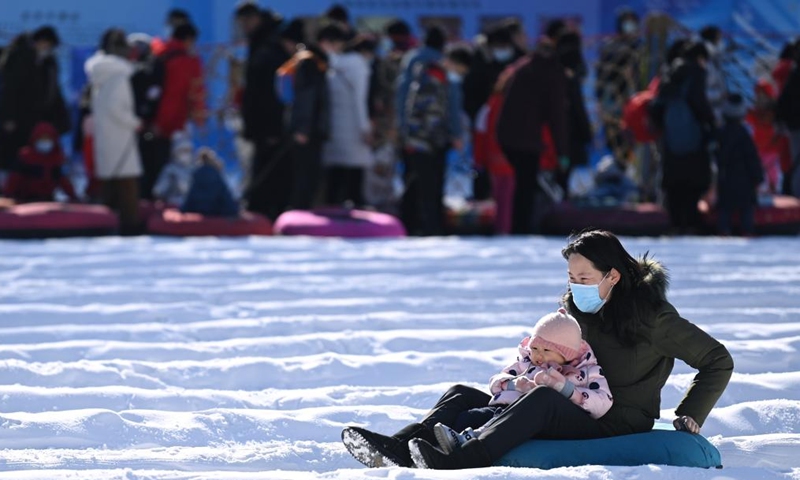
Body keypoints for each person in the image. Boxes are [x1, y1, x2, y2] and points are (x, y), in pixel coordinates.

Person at [341, 228, 733, 470]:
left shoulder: (653, 317)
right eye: (571, 277)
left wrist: (690, 415)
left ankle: (463, 460)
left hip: (615, 418)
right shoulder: (577, 308)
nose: (576, 285)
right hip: (565, 401)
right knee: (462, 394)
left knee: (543, 401)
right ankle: (399, 445)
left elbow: (718, 359)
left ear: (613, 275)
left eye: (584, 277)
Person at [432, 308, 612, 454]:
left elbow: (603, 402)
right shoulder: (526, 363)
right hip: (505, 409)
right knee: (468, 416)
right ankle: (432, 441)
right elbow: (496, 381)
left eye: (547, 350)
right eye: (534, 347)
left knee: (495, 420)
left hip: (546, 421)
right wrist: (516, 384)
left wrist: (565, 388)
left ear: (567, 354)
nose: (538, 355)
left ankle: (468, 441)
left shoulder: (586, 371)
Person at [496, 21, 568, 234]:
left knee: (522, 185)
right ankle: (522, 229)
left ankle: (520, 226)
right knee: (525, 186)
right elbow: (557, 116)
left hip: (507, 135)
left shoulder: (525, 65)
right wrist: (563, 152)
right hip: (525, 139)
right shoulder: (551, 72)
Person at [235, 3, 302, 219]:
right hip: (264, 124)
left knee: (270, 173)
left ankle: (267, 213)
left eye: (247, 21)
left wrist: (270, 127)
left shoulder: (269, 48)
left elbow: (268, 94)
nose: (244, 26)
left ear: (256, 19)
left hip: (270, 125)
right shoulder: (263, 42)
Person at [400, 44, 472, 236]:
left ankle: (412, 225)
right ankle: (432, 228)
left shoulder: (422, 74)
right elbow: (446, 113)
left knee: (417, 186)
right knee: (430, 188)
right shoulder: (441, 80)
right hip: (429, 141)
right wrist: (454, 135)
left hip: (417, 139)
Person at [650, 42, 716, 234]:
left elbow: (657, 105)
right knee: (694, 181)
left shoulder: (668, 73)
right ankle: (692, 221)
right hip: (694, 136)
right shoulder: (695, 73)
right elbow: (699, 103)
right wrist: (710, 123)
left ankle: (675, 221)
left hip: (671, 138)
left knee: (674, 184)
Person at [85, 28, 143, 235]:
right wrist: (135, 122)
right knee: (127, 184)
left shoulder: (99, 75)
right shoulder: (119, 75)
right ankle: (130, 225)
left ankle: (106, 222)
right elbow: (116, 107)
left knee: (109, 181)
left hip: (105, 134)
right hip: (121, 134)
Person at [146, 23, 207, 200]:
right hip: (175, 124)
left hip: (151, 122)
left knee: (154, 166)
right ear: (189, 40)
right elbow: (189, 94)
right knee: (178, 168)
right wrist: (199, 119)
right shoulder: (187, 61)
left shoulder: (159, 53)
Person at [0, 25, 71, 173]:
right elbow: (10, 89)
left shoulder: (49, 62)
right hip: (18, 117)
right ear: (40, 41)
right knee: (15, 153)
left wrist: (61, 119)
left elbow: (54, 91)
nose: (48, 48)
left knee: (37, 155)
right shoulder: (18, 56)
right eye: (47, 44)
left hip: (40, 118)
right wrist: (8, 117)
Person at [285, 24, 340, 209]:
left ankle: (302, 211)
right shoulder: (311, 62)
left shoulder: (311, 61)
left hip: (310, 129)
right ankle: (300, 213)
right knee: (306, 176)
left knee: (306, 175)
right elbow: (306, 98)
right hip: (309, 131)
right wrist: (302, 128)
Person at [322, 35, 374, 206]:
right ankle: (356, 209)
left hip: (333, 127)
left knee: (335, 175)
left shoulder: (334, 64)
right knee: (355, 173)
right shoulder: (359, 67)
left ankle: (332, 207)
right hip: (353, 127)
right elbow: (360, 100)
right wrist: (365, 128)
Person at [595, 9, 644, 164]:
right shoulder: (610, 47)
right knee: (616, 140)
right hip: (614, 102)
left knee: (636, 140)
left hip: (636, 101)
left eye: (633, 22)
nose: (630, 27)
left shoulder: (641, 48)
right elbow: (602, 76)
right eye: (626, 22)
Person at [717, 94, 764, 236]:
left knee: (725, 208)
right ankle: (747, 230)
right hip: (745, 183)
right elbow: (752, 159)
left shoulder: (720, 134)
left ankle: (723, 230)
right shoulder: (744, 135)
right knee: (746, 209)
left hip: (725, 181)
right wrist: (758, 177)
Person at [3, 122, 78, 202]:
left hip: (47, 199)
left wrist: (73, 196)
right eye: (42, 139)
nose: (45, 142)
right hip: (25, 200)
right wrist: (7, 196)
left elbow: (63, 181)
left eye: (48, 139)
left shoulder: (56, 159)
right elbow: (14, 179)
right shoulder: (25, 157)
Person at [181, 147, 239, 217]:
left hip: (198, 211)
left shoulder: (196, 176)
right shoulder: (216, 176)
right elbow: (226, 198)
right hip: (216, 213)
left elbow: (189, 200)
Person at [152, 131, 194, 206]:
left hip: (193, 207)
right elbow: (158, 191)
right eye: (182, 151)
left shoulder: (195, 169)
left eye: (188, 151)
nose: (186, 154)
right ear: (175, 152)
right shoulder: (170, 170)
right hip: (174, 206)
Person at [699, 25, 728, 125]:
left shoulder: (715, 60)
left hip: (716, 111)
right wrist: (720, 95)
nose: (721, 42)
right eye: (719, 39)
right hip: (709, 113)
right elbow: (700, 92)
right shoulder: (705, 63)